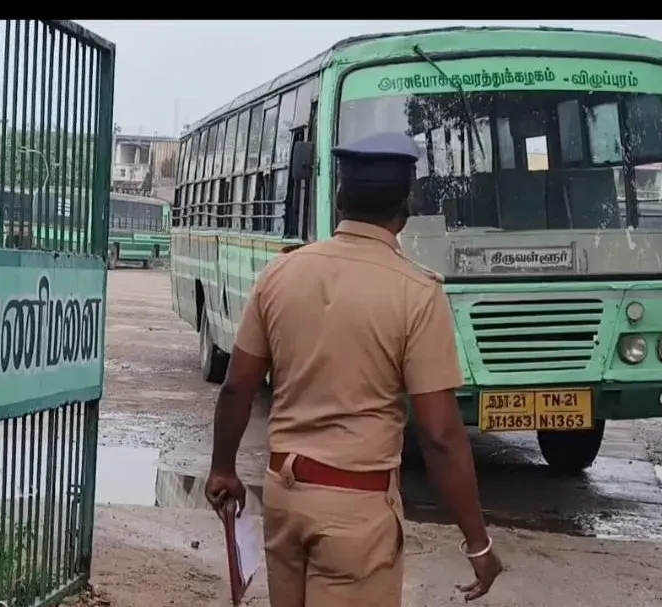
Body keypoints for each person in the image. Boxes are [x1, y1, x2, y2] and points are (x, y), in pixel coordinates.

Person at [204, 132, 503, 606]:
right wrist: (478, 541)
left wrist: (222, 468)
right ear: (406, 208)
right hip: (357, 513)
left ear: (340, 198)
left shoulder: (280, 274)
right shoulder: (416, 293)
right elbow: (441, 434)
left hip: (285, 499)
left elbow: (238, 386)